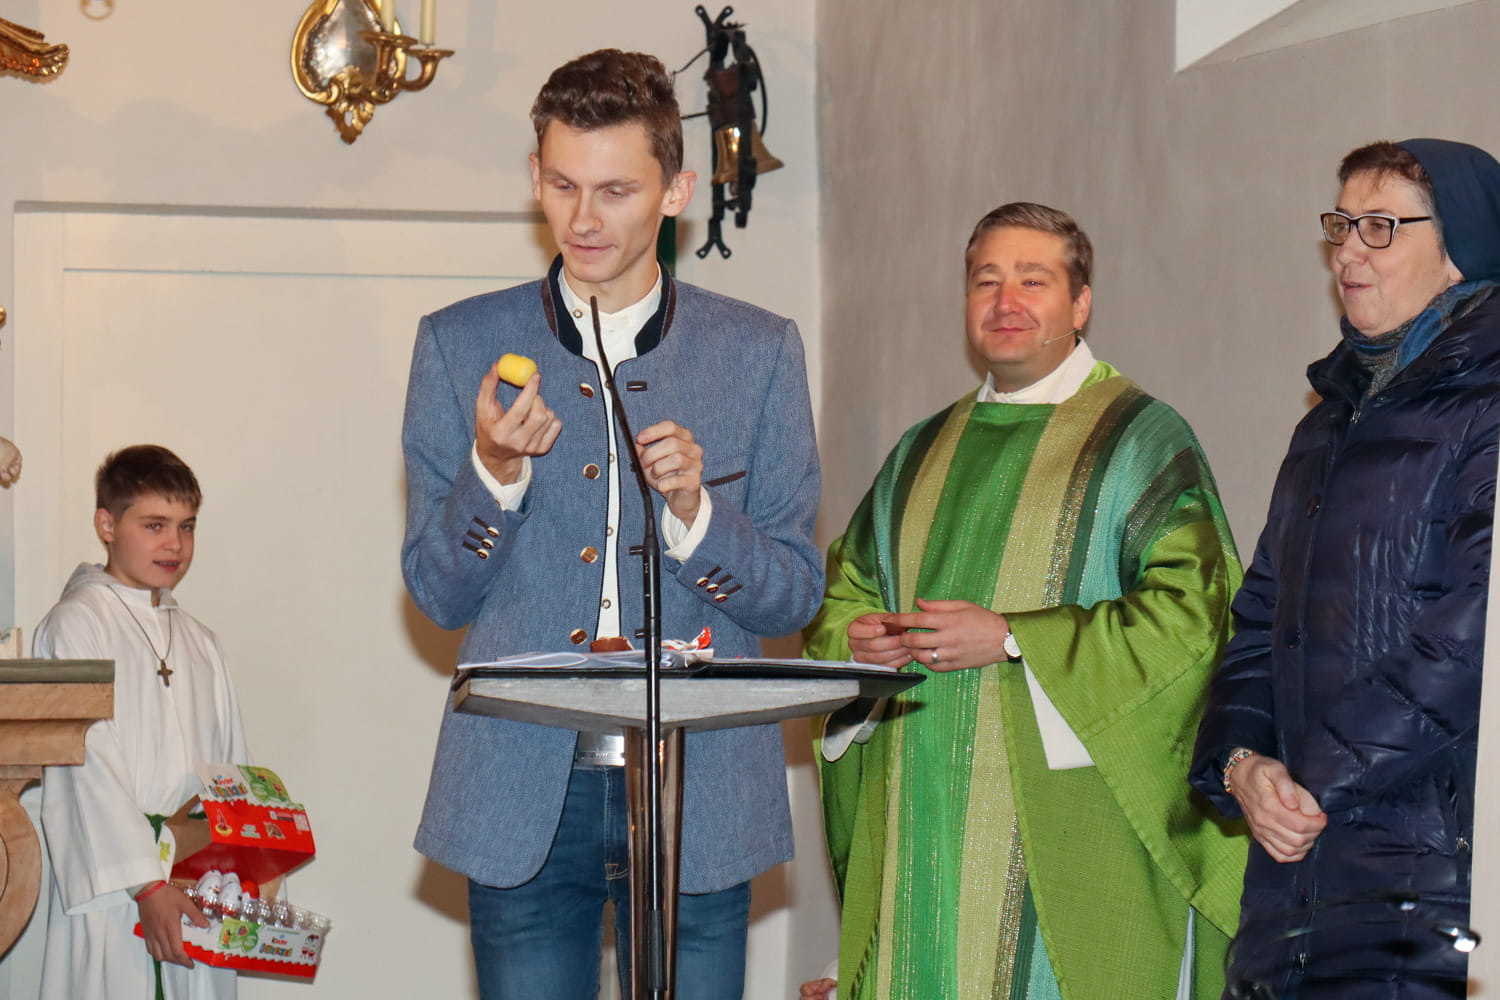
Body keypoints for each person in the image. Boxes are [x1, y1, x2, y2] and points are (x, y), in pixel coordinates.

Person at [400, 49, 822, 999]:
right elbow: (435, 594)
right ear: (535, 177)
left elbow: (796, 595)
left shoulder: (759, 351)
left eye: (616, 190)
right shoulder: (459, 343)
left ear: (676, 191)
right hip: (517, 787)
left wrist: (698, 515)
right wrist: (494, 473)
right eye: (562, 185)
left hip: (702, 792)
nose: (584, 219)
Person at [802, 202, 1247, 1000]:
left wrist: (1014, 639)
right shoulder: (920, 450)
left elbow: (1195, 617)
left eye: (1033, 281)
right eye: (987, 281)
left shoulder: (1138, 439)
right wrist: (859, 643)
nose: (1005, 302)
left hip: (1071, 825)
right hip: (921, 813)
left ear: (1080, 304)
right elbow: (846, 594)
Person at [1190, 139, 1500, 999]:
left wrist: (1311, 779)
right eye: (1341, 225)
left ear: (1460, 247)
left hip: (1429, 862)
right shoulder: (1326, 423)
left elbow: (1472, 631)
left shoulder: (1490, 405)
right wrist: (1242, 763)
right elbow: (1261, 617)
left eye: (1381, 227)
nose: (1347, 252)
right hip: (1296, 860)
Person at [35, 444, 248, 1000]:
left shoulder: (201, 642)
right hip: (116, 888)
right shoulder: (76, 625)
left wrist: (242, 872)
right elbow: (86, 767)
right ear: (106, 525)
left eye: (186, 526)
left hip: (196, 886)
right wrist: (146, 885)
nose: (175, 544)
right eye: (154, 525)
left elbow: (230, 769)